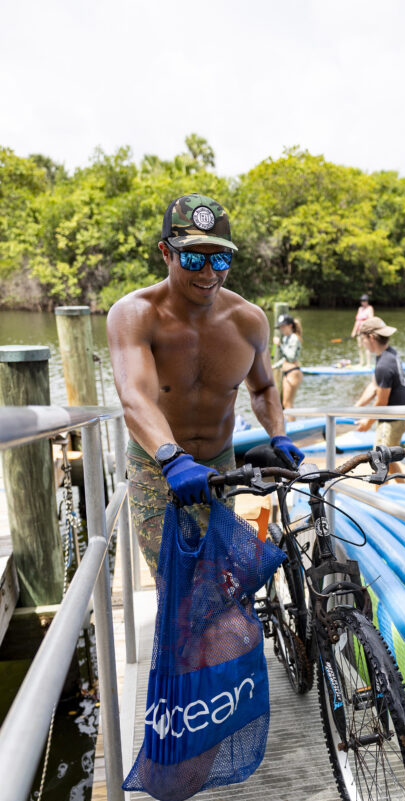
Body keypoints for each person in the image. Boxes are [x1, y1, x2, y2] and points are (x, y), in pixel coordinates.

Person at [107, 192, 304, 576]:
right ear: (166, 252)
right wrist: (171, 457)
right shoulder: (134, 315)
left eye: (221, 258)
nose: (209, 273)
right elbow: (135, 398)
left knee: (218, 578)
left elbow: (262, 388)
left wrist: (279, 435)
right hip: (156, 470)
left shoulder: (249, 320)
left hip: (219, 468)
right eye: (194, 258)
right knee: (178, 589)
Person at [354, 317, 405, 477]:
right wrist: (357, 407)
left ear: (371, 337)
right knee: (389, 459)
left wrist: (367, 422)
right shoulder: (388, 353)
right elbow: (374, 386)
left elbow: (382, 402)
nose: (362, 343)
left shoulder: (384, 365)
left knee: (379, 462)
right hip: (400, 416)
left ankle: (377, 500)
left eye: (362, 339)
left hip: (390, 421)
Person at [272, 314, 303, 409]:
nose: (281, 329)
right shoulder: (286, 338)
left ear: (290, 326)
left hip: (293, 373)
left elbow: (291, 357)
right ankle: (288, 423)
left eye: (283, 326)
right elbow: (284, 359)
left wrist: (279, 345)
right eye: (280, 327)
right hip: (287, 373)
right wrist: (273, 367)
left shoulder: (294, 338)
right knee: (284, 404)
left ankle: (292, 424)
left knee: (288, 404)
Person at [351, 294, 374, 366]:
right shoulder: (360, 309)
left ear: (367, 301)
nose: (363, 302)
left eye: (364, 301)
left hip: (365, 331)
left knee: (367, 347)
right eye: (362, 301)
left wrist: (370, 331)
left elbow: (371, 320)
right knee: (360, 346)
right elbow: (357, 321)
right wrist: (354, 332)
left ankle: (368, 364)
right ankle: (361, 363)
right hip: (359, 331)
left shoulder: (370, 308)